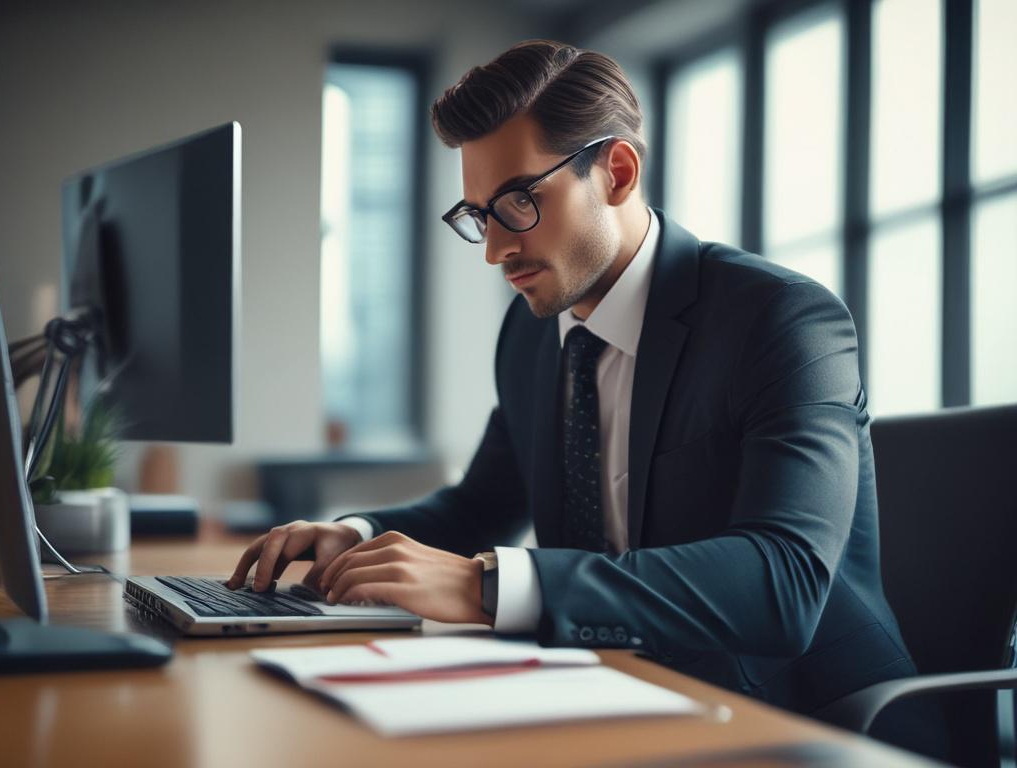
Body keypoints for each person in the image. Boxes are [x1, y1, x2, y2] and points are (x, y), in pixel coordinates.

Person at [228, 40, 934, 752]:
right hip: (618, 694)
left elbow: (781, 583)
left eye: (518, 203)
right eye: (478, 213)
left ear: (618, 172)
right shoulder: (533, 333)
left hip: (817, 723)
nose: (494, 250)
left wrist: (488, 588)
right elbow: (481, 506)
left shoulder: (780, 320)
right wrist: (356, 535)